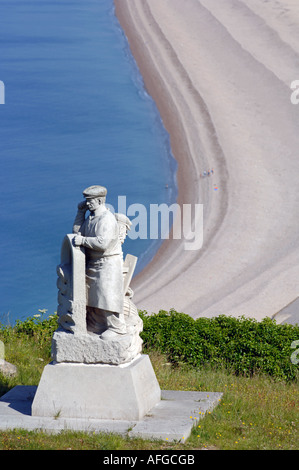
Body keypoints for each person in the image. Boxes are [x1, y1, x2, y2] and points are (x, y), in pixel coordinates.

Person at [72, 185, 126, 339]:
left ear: (100, 200)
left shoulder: (106, 219)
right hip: (94, 262)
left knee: (107, 295)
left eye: (90, 201)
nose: (88, 203)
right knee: (92, 296)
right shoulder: (91, 218)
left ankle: (117, 327)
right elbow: (77, 233)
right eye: (87, 201)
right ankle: (99, 324)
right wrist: (80, 212)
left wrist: (83, 240)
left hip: (107, 263)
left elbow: (103, 243)